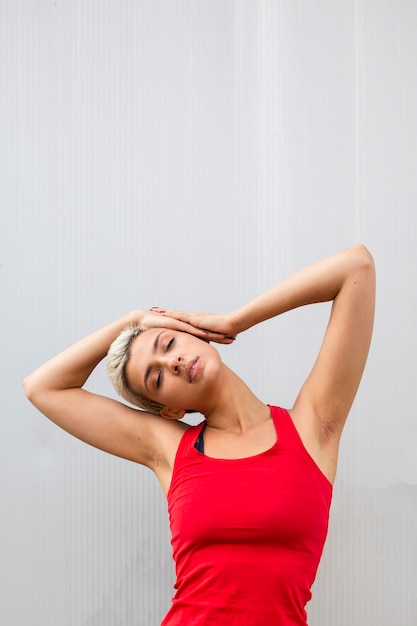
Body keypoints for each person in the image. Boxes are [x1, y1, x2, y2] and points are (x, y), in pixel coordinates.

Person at [23, 244, 375, 625]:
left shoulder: (313, 427)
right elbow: (43, 388)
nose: (170, 362)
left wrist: (235, 320)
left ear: (195, 335)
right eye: (156, 377)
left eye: (169, 343)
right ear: (170, 410)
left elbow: (355, 267)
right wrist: (134, 319)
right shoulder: (170, 450)